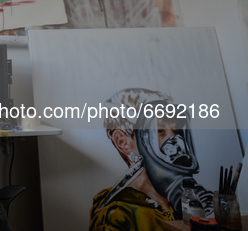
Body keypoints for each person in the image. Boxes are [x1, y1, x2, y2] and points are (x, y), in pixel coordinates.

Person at [89, 88, 212, 230]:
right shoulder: (117, 216)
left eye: (177, 131)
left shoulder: (177, 202)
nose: (176, 144)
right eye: (160, 131)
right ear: (123, 142)